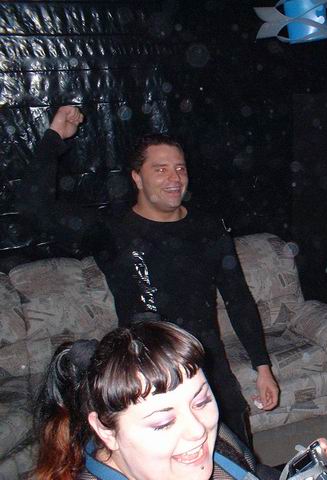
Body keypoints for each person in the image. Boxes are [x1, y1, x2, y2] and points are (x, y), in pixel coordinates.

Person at [18, 106, 278, 445]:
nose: (174, 178)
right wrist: (54, 138)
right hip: (146, 372)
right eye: (161, 169)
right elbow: (34, 207)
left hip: (207, 367)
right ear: (137, 178)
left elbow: (238, 297)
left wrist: (262, 366)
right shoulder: (112, 230)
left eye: (180, 168)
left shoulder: (208, 228)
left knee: (236, 453)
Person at [34, 320, 327, 480]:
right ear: (105, 430)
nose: (198, 429)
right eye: (163, 422)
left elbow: (253, 472)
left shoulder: (216, 444)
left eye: (201, 401)